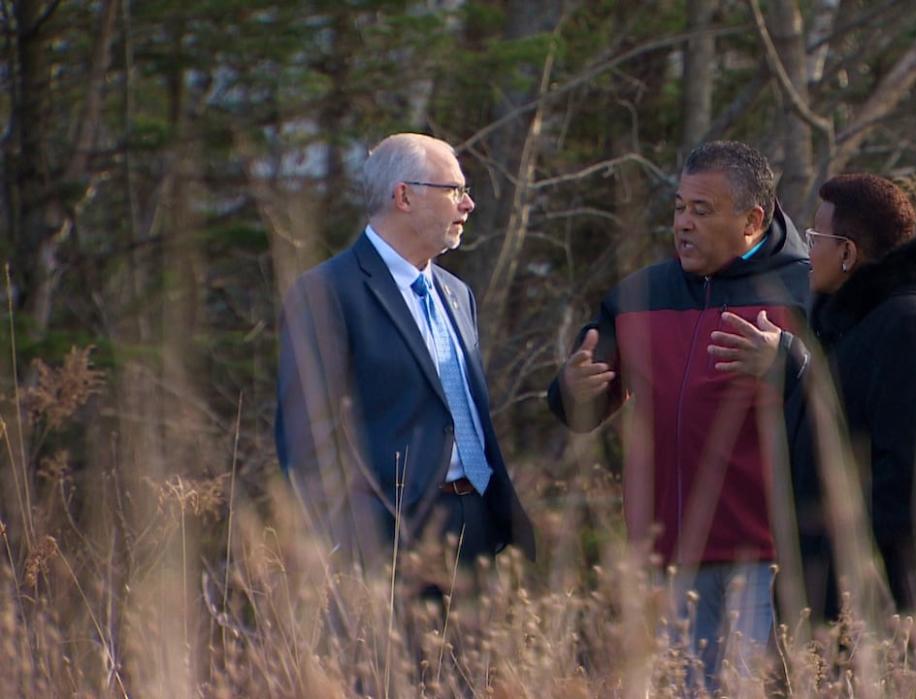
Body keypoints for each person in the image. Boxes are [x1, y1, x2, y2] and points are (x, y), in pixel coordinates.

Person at [547, 141, 810, 685]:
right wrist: (571, 388)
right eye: (679, 207)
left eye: (702, 210)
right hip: (664, 559)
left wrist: (789, 362)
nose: (683, 224)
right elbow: (581, 407)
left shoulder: (807, 291)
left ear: (753, 219)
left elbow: (851, 405)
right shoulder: (639, 294)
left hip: (765, 560)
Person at [713, 174, 916, 620]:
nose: (807, 254)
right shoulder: (862, 328)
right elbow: (847, 420)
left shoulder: (912, 328)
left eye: (815, 238)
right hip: (872, 612)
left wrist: (826, 547)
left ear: (847, 253)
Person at [275, 133, 535, 578]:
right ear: (404, 197)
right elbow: (304, 438)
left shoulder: (457, 294)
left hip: (480, 529)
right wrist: (349, 545)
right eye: (454, 190)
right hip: (390, 545)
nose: (467, 205)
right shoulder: (327, 292)